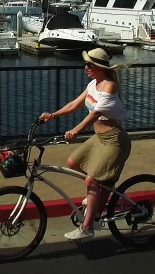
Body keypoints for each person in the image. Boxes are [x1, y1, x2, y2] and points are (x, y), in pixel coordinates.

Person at [39, 48, 131, 241]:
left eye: (89, 64)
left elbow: (96, 113)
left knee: (91, 180)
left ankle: (87, 226)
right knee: (73, 162)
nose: (85, 67)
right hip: (99, 139)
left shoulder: (109, 86)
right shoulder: (92, 85)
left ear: (98, 66)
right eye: (86, 64)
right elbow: (75, 105)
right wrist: (52, 115)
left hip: (114, 141)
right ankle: (96, 192)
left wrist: (76, 130)